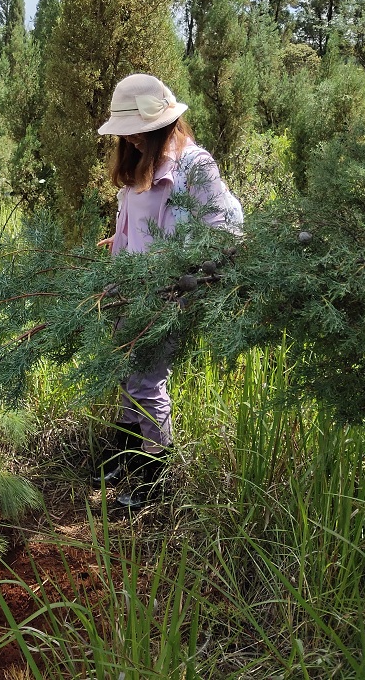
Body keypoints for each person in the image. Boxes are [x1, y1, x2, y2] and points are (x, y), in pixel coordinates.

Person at [94, 72, 239, 509]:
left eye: (136, 130)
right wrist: (120, 240)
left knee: (147, 381)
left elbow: (225, 229)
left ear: (159, 124)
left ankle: (153, 476)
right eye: (126, 132)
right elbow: (140, 221)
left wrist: (180, 268)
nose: (131, 139)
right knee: (124, 371)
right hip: (127, 289)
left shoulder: (195, 166)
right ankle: (127, 450)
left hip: (165, 294)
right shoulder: (141, 161)